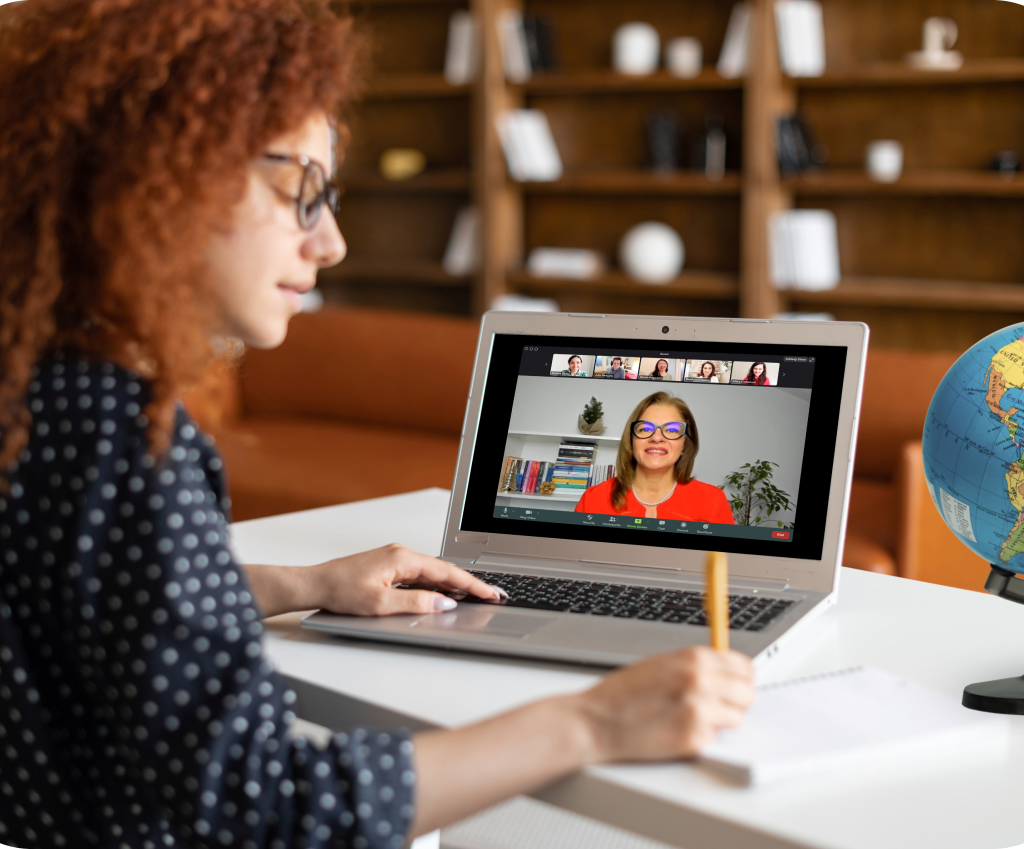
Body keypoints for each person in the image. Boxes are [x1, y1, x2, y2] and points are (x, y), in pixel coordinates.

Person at [0, 2, 754, 847]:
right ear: (166, 173)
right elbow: (262, 810)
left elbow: (90, 607)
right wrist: (592, 722)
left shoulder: (36, 393)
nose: (332, 243)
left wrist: (303, 585)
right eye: (303, 192)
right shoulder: (128, 443)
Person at [574, 392, 736, 523]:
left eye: (672, 430)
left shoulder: (713, 500)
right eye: (645, 428)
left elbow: (723, 562)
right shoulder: (593, 498)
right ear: (631, 440)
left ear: (684, 445)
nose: (657, 438)